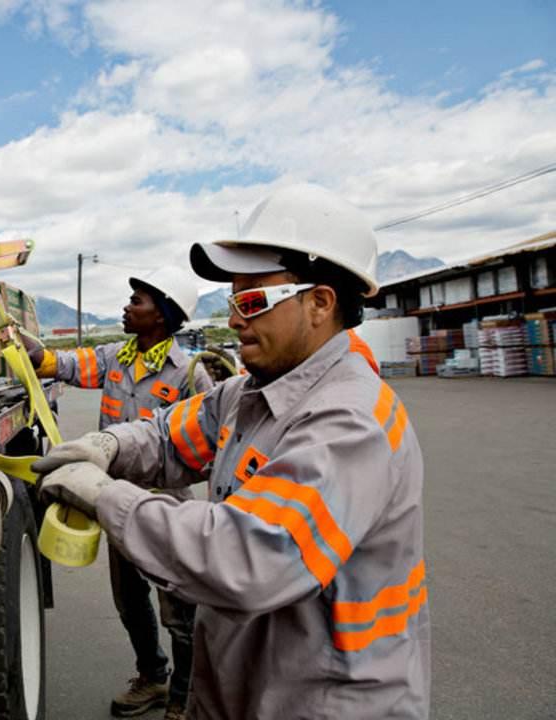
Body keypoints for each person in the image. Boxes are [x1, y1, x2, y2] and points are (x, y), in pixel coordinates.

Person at [34, 184, 430, 720]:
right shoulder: (250, 393)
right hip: (244, 689)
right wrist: (109, 444)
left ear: (320, 303)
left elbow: (245, 558)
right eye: (233, 301)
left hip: (323, 704)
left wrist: (106, 497)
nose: (236, 319)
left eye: (251, 301)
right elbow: (169, 435)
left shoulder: (350, 423)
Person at [28, 272, 213, 717]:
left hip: (168, 510)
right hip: (115, 504)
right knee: (130, 601)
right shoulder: (116, 357)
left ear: (163, 315)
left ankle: (183, 697)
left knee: (179, 615)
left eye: (137, 301)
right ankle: (152, 677)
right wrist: (29, 351)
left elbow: (213, 440)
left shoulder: (191, 373)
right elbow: (63, 365)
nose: (127, 307)